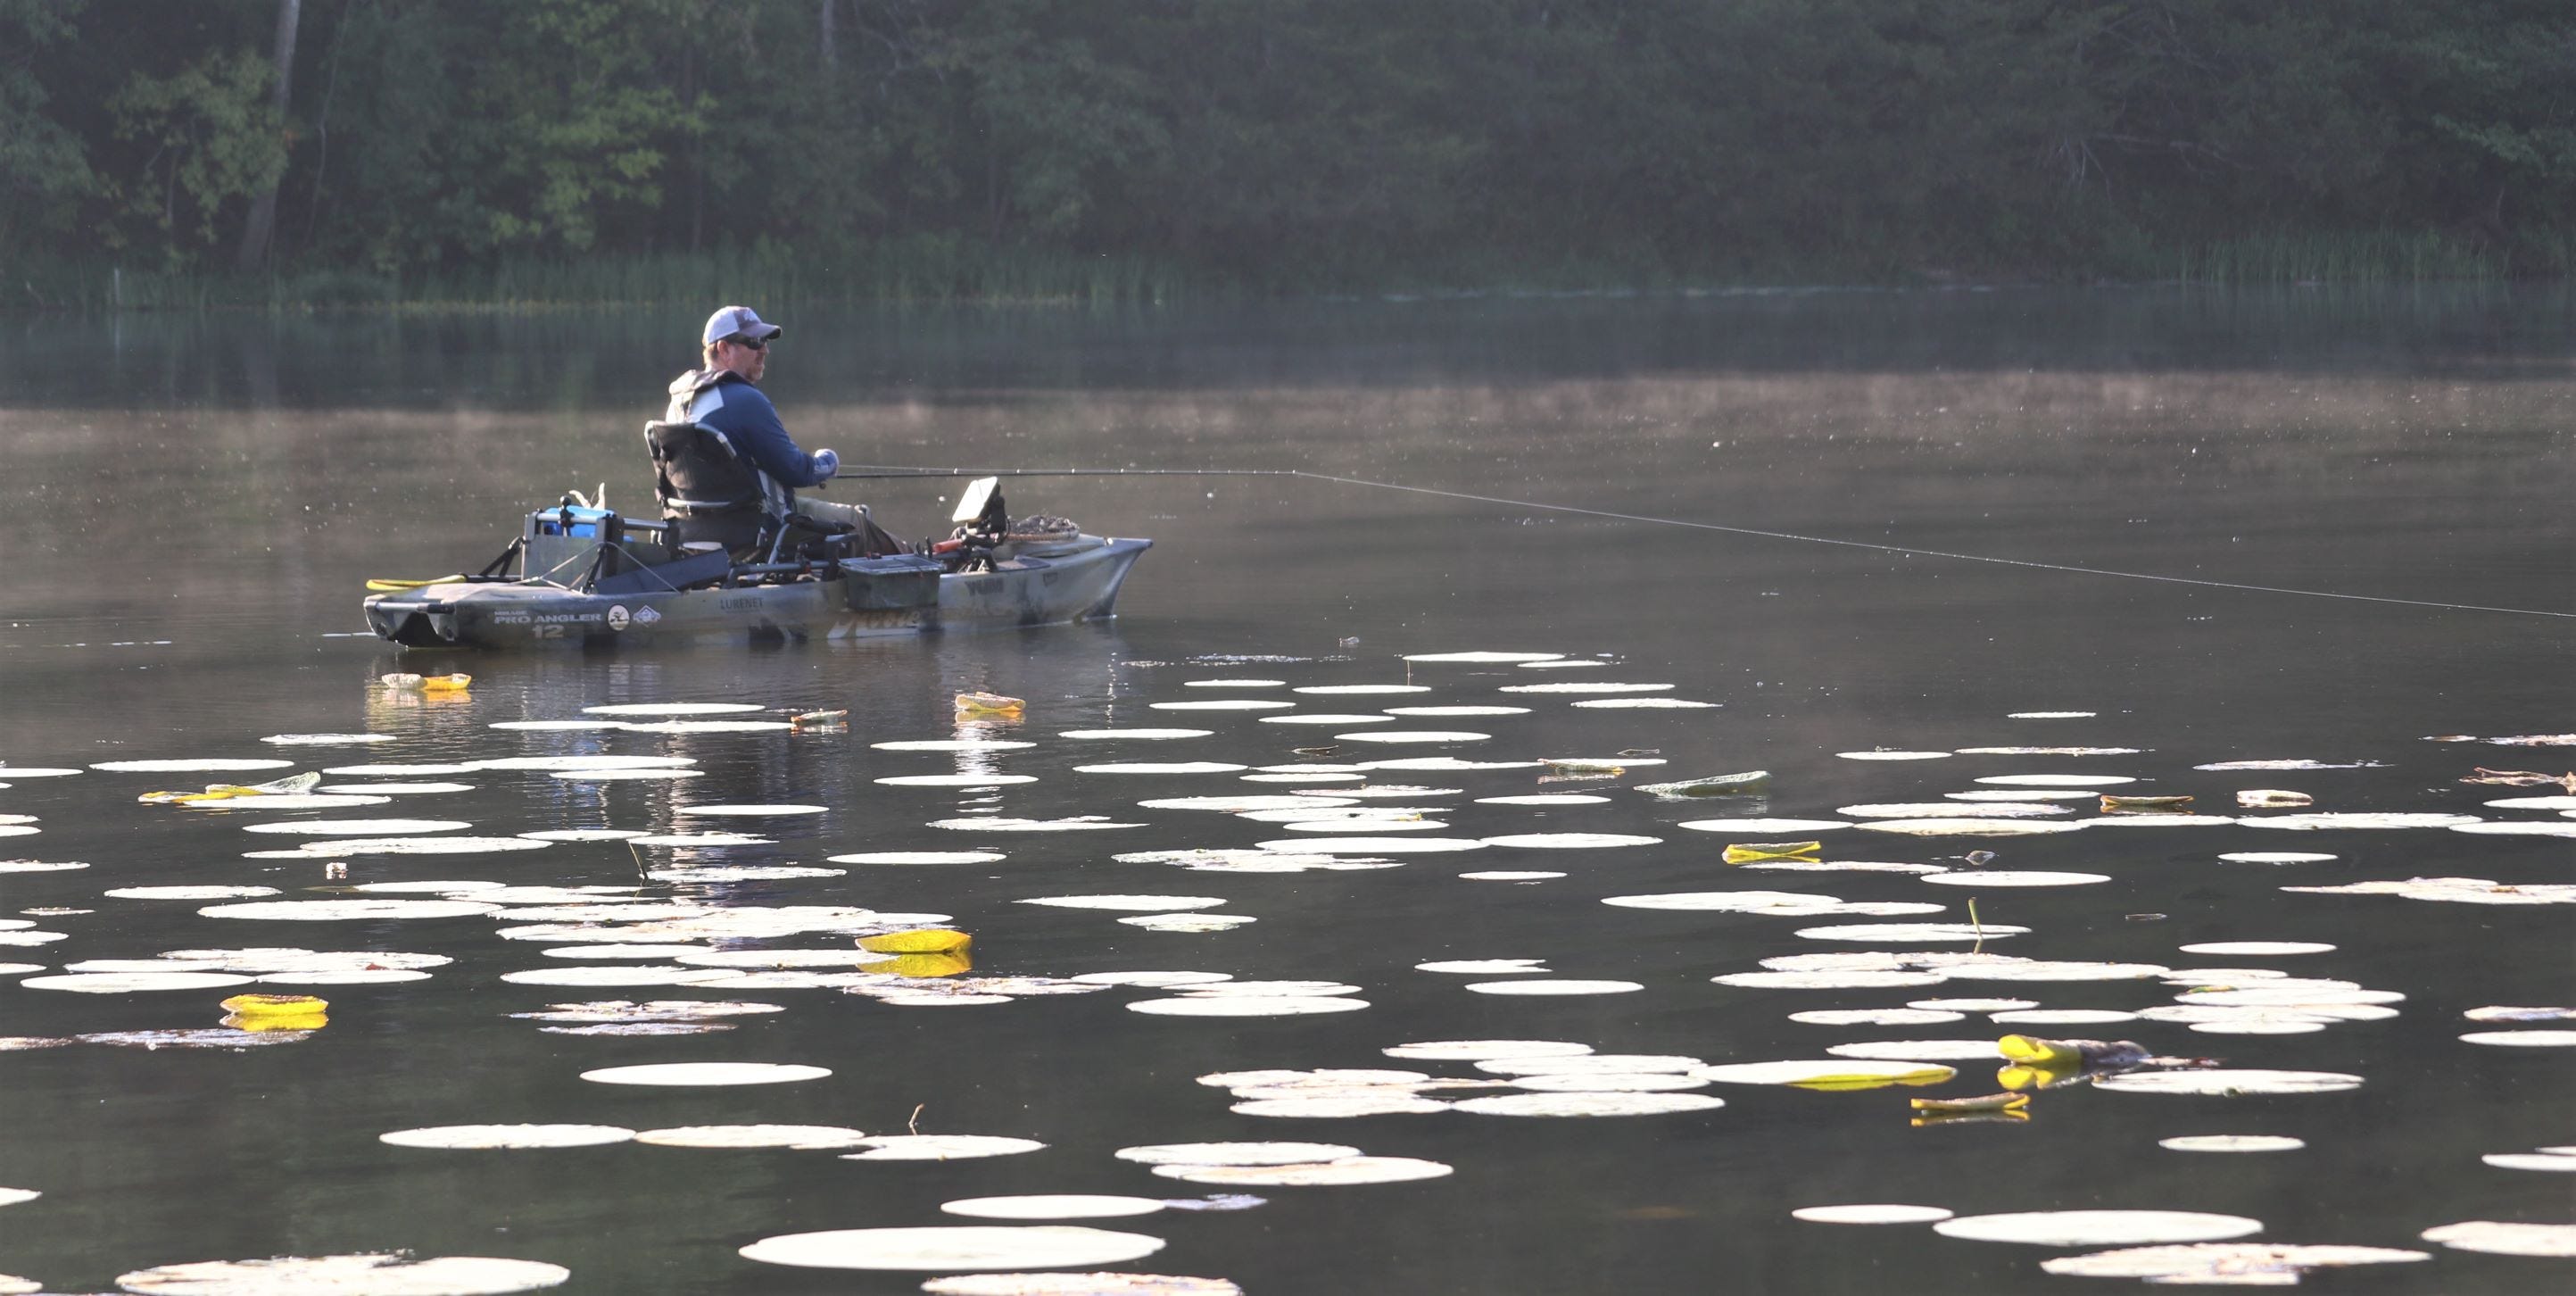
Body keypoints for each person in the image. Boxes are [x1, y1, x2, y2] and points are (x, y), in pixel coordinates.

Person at [648, 304, 851, 554]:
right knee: (857, 520)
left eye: (765, 341)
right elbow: (797, 471)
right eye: (754, 342)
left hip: (690, 535)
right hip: (761, 534)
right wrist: (828, 462)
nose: (764, 349)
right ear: (724, 349)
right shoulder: (745, 400)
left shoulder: (678, 401)